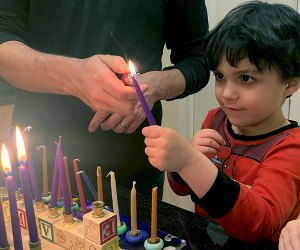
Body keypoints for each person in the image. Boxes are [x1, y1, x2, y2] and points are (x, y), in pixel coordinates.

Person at [0, 1, 210, 200]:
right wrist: (74, 77)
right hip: (37, 165)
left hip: (131, 175)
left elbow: (198, 59)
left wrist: (154, 87)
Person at [142, 1, 300, 242]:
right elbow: (182, 188)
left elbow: (259, 222)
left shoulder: (291, 148)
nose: (227, 93)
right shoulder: (216, 119)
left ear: (290, 82)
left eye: (245, 78)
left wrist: (190, 161)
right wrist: (183, 164)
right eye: (220, 76)